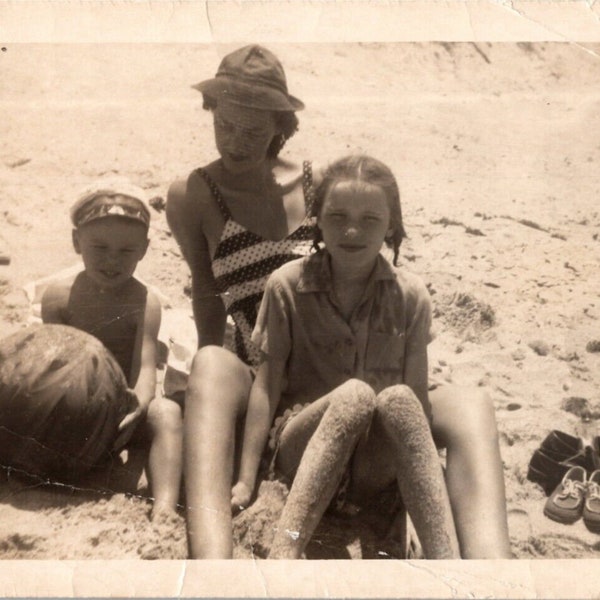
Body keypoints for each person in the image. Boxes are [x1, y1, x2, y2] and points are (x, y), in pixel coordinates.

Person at [167, 44, 511, 559]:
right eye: (225, 125)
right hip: (270, 368)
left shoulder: (318, 187)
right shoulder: (193, 192)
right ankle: (213, 562)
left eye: (253, 129)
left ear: (280, 125)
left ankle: (491, 566)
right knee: (212, 362)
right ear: (210, 113)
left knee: (471, 404)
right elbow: (206, 293)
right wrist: (200, 381)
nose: (237, 143)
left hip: (366, 360)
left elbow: (369, 253)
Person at [234, 155, 460, 559]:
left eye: (370, 220)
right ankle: (283, 556)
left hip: (371, 466)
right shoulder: (287, 285)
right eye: (337, 216)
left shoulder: (410, 295)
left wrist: (407, 500)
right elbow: (265, 387)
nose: (352, 230)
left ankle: (449, 566)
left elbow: (417, 405)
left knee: (398, 400)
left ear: (391, 225)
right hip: (302, 448)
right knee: (355, 394)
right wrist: (247, 481)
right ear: (317, 218)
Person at [41, 180, 183, 520]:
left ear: (144, 249)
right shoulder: (59, 296)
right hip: (76, 400)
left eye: (125, 251)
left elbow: (146, 366)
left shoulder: (144, 301)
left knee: (167, 414)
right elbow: (53, 365)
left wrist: (136, 407)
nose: (111, 261)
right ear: (77, 242)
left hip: (127, 404)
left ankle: (164, 504)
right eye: (99, 248)